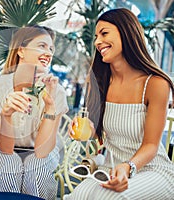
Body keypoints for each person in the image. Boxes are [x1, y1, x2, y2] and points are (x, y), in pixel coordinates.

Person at [64, 8, 174, 199]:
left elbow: (151, 145)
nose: (98, 42)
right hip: (111, 168)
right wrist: (87, 130)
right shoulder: (100, 83)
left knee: (113, 197)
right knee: (77, 196)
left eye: (105, 33)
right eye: (96, 36)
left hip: (151, 170)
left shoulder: (155, 84)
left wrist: (129, 167)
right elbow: (100, 136)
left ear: (126, 33)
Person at [0, 25, 68, 199]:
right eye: (42, 46)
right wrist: (6, 114)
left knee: (36, 171)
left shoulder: (56, 91)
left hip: (41, 148)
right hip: (3, 147)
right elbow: (6, 149)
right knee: (9, 168)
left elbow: (42, 152)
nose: (49, 52)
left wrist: (50, 106)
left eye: (51, 48)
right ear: (21, 51)